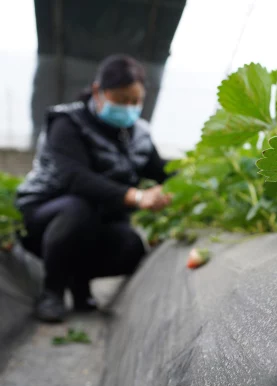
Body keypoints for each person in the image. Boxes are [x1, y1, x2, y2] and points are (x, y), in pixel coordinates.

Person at [15, 54, 173, 323]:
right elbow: (75, 178)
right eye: (122, 99)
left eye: (136, 101)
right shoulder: (67, 122)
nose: (130, 108)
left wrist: (190, 183)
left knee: (131, 246)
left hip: (95, 223)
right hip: (45, 217)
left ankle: (79, 282)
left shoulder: (139, 135)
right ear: (99, 91)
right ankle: (52, 292)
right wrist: (135, 196)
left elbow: (161, 172)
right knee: (79, 209)